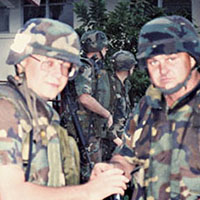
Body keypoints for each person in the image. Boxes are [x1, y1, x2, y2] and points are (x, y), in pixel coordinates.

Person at [0, 18, 129, 200]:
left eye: (65, 66)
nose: (58, 74)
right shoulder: (6, 108)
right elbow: (9, 193)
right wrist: (89, 191)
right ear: (22, 62)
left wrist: (91, 184)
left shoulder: (44, 114)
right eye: (48, 63)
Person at [91, 15, 200, 200]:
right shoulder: (148, 106)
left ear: (192, 59)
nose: (162, 70)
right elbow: (126, 156)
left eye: (171, 59)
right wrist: (114, 170)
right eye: (153, 62)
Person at [61, 30, 113, 183]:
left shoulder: (90, 66)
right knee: (90, 172)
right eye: (105, 47)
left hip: (87, 127)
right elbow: (84, 98)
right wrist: (106, 114)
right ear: (98, 47)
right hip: (83, 128)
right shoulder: (85, 66)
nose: (106, 50)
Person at [102, 50, 137, 162]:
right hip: (111, 142)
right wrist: (116, 139)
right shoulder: (109, 85)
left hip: (121, 138)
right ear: (128, 67)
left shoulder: (125, 85)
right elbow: (105, 115)